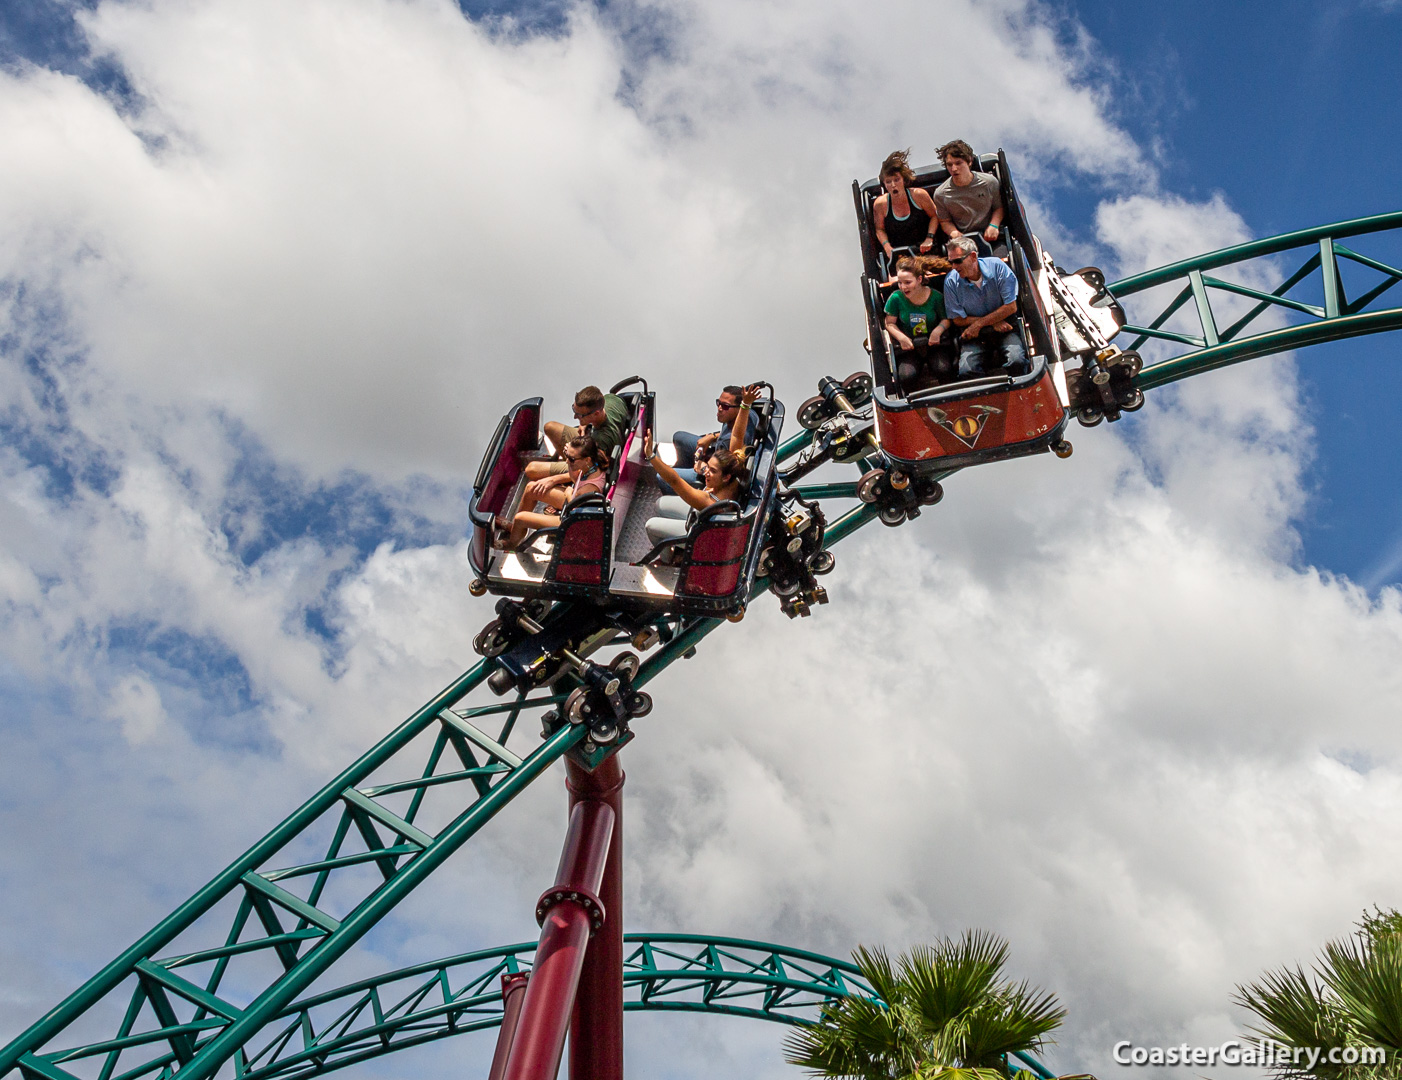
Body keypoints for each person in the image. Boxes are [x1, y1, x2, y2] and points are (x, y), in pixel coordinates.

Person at [496, 433, 610, 550]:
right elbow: (576, 479)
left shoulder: (590, 487)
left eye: (571, 459)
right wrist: (569, 463)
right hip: (575, 501)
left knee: (520, 518)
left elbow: (573, 506)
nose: (567, 461)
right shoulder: (592, 462)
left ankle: (511, 543)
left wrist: (568, 492)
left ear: (587, 459)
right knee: (532, 488)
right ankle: (515, 528)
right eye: (567, 455)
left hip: (572, 519)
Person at [644, 433, 751, 547]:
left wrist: (651, 456)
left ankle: (669, 559)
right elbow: (736, 436)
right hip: (703, 519)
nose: (706, 472)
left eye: (713, 471)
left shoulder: (708, 501)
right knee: (659, 504)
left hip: (700, 537)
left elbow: (674, 481)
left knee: (650, 526)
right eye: (708, 466)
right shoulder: (735, 475)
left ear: (726, 477)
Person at [942, 236, 1027, 378]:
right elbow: (957, 319)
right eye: (951, 262)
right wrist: (993, 322)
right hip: (976, 335)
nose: (954, 267)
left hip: (1006, 329)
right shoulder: (951, 282)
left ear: (973, 256)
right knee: (966, 370)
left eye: (957, 261)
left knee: (1016, 360)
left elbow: (1011, 307)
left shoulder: (997, 267)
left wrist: (979, 324)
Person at [524, 385, 629, 482]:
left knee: (531, 469)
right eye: (574, 410)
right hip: (589, 439)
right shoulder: (611, 399)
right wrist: (586, 423)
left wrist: (553, 480)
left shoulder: (601, 440)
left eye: (580, 415)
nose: (575, 417)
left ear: (596, 413)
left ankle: (571, 463)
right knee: (550, 427)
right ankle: (568, 460)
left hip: (591, 458)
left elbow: (591, 470)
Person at [883, 254, 954, 388]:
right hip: (910, 347)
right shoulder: (896, 298)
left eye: (908, 283)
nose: (903, 287)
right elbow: (889, 323)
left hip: (934, 344)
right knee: (906, 376)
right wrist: (902, 338)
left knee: (943, 369)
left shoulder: (935, 297)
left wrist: (938, 331)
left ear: (919, 279)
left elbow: (946, 319)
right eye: (900, 283)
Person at [670, 384, 761, 486]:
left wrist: (704, 468)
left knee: (662, 477)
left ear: (740, 409)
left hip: (713, 473)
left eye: (725, 406)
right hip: (716, 452)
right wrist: (712, 436)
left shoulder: (729, 443)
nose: (720, 408)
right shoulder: (748, 415)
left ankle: (680, 486)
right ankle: (683, 470)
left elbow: (724, 474)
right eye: (718, 403)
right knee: (679, 438)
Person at [932, 139, 1004, 256]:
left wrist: (994, 225)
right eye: (949, 165)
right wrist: (954, 233)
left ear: (969, 162)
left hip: (990, 238)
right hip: (964, 243)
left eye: (958, 163)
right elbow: (944, 221)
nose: (954, 169)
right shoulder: (941, 194)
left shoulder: (989, 182)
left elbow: (999, 207)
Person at [872, 149, 940, 261]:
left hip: (925, 249)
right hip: (901, 255)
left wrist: (929, 238)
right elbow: (879, 229)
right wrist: (887, 247)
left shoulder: (919, 195)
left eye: (897, 180)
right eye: (888, 182)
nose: (893, 185)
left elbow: (935, 215)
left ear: (904, 179)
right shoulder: (880, 204)